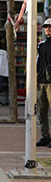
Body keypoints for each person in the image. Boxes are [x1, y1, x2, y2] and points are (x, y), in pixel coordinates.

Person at [36, 18, 51, 147]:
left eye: (50, 27)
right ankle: (45, 135)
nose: (48, 29)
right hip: (41, 80)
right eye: (46, 27)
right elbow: (38, 63)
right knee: (41, 110)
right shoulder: (41, 45)